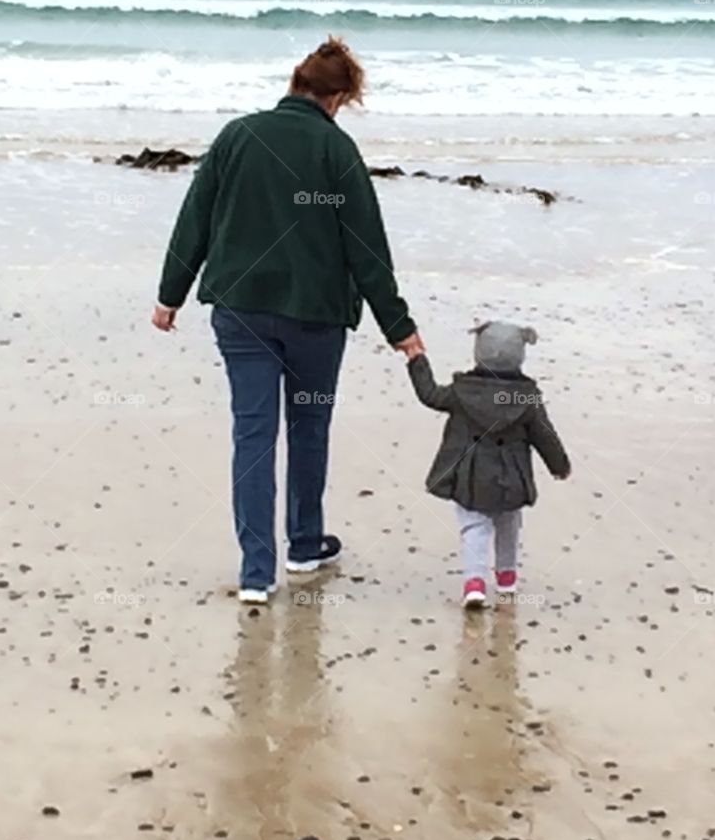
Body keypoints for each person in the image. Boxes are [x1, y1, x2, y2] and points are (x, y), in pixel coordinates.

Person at [152, 38, 423, 604]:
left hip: (240, 311)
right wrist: (399, 328)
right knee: (308, 428)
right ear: (340, 97)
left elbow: (195, 217)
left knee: (252, 434)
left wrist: (170, 294)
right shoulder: (336, 149)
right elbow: (366, 248)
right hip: (316, 317)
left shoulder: (237, 136)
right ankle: (303, 546)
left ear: (296, 82)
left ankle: (256, 573)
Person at [406, 321, 570, 609]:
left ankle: (475, 584)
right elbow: (545, 435)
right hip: (512, 478)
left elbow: (429, 394)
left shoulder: (461, 392)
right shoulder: (526, 397)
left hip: (470, 478)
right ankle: (507, 579)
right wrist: (559, 465)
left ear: (478, 352)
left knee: (474, 527)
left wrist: (416, 358)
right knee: (509, 526)